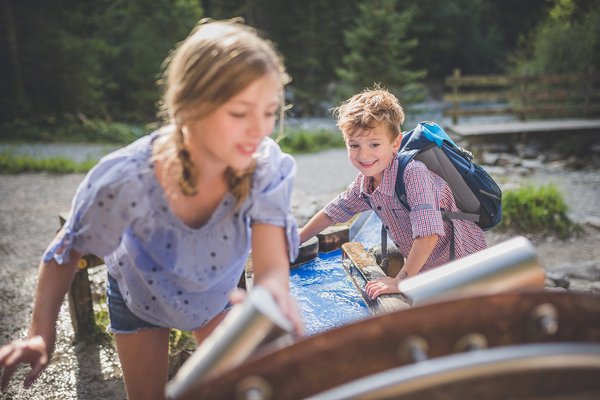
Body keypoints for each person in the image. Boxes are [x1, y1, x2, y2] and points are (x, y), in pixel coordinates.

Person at [0, 18, 303, 400]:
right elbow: (68, 249)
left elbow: (272, 265)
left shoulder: (265, 169)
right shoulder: (127, 180)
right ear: (190, 106)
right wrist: (40, 334)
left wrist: (272, 298)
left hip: (215, 297)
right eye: (240, 113)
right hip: (139, 297)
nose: (259, 129)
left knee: (232, 391)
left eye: (270, 111)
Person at [298, 87, 487, 300]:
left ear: (395, 143)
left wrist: (400, 281)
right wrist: (296, 239)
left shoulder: (413, 174)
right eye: (354, 145)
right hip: (429, 270)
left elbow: (428, 234)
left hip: (463, 266)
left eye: (374, 144)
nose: (364, 154)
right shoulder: (366, 183)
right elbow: (333, 212)